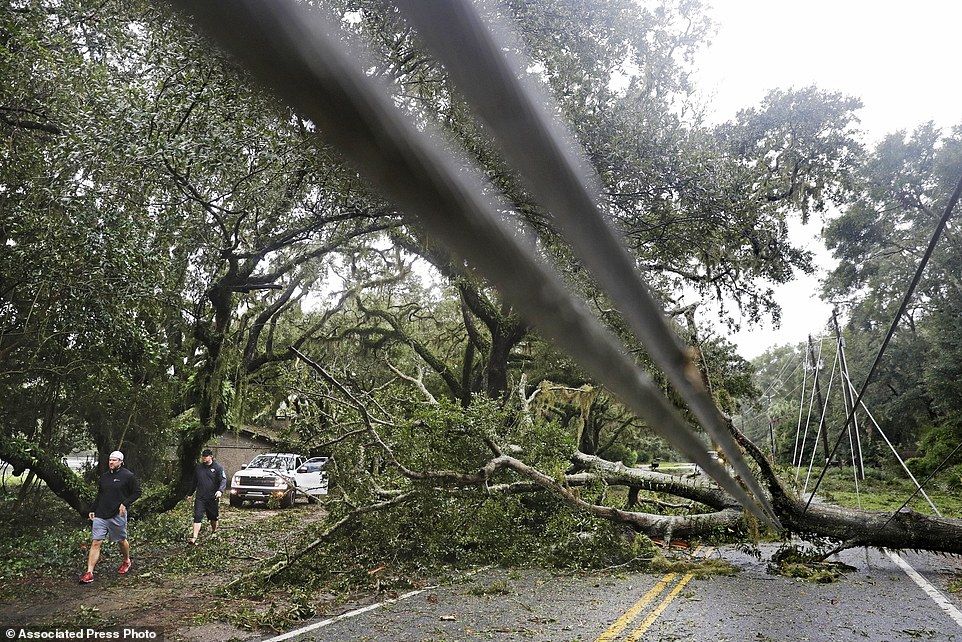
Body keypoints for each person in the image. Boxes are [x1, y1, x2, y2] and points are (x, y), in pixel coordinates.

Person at [80, 450, 141, 583]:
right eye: (110, 460)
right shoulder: (104, 477)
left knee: (121, 540)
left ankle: (126, 561)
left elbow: (137, 492)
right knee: (96, 542)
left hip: (117, 515)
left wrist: (125, 504)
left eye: (114, 460)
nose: (111, 462)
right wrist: (93, 509)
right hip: (101, 514)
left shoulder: (128, 476)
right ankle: (89, 572)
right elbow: (100, 494)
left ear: (120, 462)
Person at [186, 448, 227, 545]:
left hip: (212, 497)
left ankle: (214, 532)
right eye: (203, 457)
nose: (204, 458)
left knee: (213, 517)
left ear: (211, 457)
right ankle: (194, 537)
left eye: (206, 457)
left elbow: (223, 480)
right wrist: (190, 494)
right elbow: (194, 482)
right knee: (197, 516)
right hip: (200, 497)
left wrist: (220, 491)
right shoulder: (198, 468)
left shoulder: (218, 468)